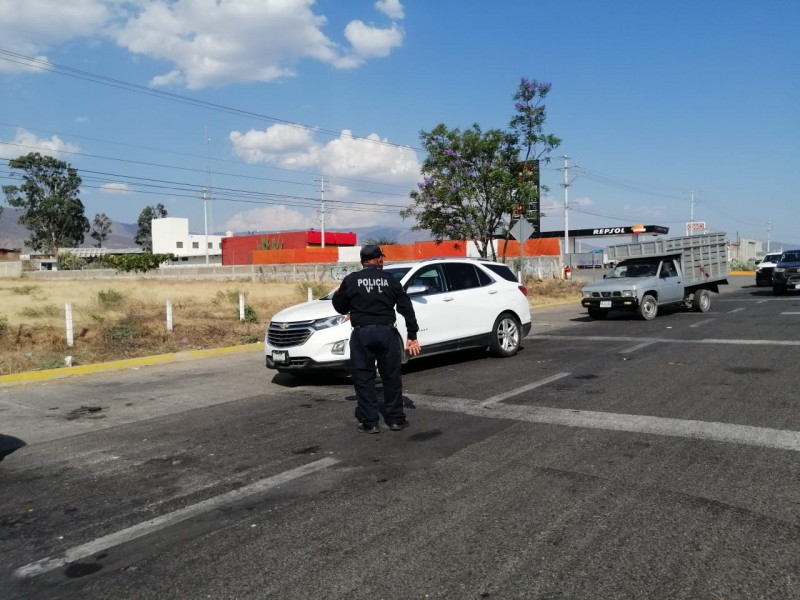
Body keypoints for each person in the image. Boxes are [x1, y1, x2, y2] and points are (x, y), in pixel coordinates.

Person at [332, 245, 421, 434]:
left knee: (363, 378)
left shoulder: (351, 280)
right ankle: (396, 420)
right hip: (386, 333)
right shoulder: (390, 280)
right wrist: (412, 335)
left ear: (362, 260)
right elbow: (406, 307)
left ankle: (370, 423)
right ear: (379, 259)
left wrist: (353, 306)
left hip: (362, 334)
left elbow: (339, 306)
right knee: (391, 377)